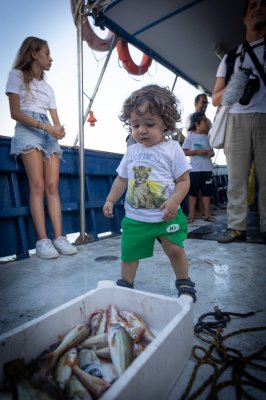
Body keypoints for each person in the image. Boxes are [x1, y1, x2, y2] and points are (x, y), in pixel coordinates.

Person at [103, 84, 196, 302]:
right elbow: (122, 178)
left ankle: (184, 281)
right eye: (135, 125)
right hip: (136, 219)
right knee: (129, 255)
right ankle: (126, 285)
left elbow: (183, 181)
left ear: (166, 123)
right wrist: (110, 199)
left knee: (175, 250)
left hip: (166, 216)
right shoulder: (132, 151)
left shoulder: (172, 149)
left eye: (149, 124)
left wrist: (174, 202)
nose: (141, 130)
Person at [5, 36, 78, 259]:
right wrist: (45, 126)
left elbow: (55, 121)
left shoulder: (48, 88)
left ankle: (59, 237)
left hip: (47, 133)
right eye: (47, 53)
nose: (51, 58)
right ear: (34, 53)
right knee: (37, 185)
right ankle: (43, 241)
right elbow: (15, 113)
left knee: (52, 186)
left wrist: (58, 130)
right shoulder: (15, 75)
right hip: (29, 128)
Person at [212, 0, 266, 243]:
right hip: (236, 120)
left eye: (263, 4)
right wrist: (237, 83)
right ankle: (236, 226)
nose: (258, 7)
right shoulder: (232, 57)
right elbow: (215, 98)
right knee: (236, 177)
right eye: (252, 5)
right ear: (244, 18)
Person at [182, 112, 215, 223]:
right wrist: (197, 152)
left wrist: (211, 153)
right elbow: (184, 152)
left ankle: (207, 213)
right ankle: (191, 214)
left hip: (207, 169)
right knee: (193, 193)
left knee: (207, 193)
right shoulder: (189, 137)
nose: (207, 124)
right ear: (197, 123)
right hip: (195, 170)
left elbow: (212, 152)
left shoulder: (208, 137)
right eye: (205, 121)